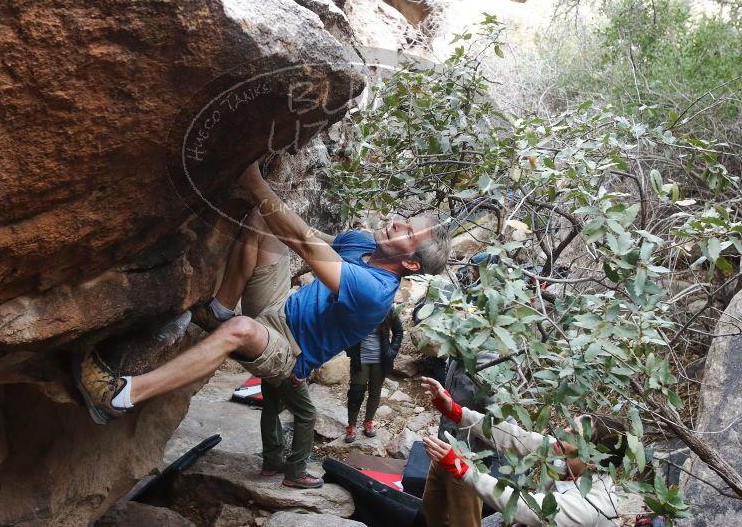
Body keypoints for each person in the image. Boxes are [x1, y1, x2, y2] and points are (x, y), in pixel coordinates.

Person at [73, 159, 451, 489]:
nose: (397, 223)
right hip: (279, 307)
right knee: (261, 219)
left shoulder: (375, 290)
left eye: (407, 232)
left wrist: (254, 182)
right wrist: (266, 204)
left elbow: (305, 244)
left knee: (241, 332)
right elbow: (311, 236)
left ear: (412, 264)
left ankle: (120, 396)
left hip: (289, 353)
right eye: (405, 220)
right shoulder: (363, 245)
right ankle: (220, 307)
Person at [421, 376, 628, 527]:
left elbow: (524, 507)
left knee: (461, 470)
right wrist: (457, 412)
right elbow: (518, 438)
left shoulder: (586, 506)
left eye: (573, 433)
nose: (563, 432)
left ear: (592, 459)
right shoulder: (566, 457)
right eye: (569, 426)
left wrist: (464, 470)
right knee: (447, 466)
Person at [416, 252, 501, 527]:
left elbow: (497, 413)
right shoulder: (460, 349)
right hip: (445, 445)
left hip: (468, 456)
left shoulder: (489, 356)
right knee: (432, 510)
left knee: (464, 520)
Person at [344, 306, 403, 442]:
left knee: (375, 392)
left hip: (380, 360)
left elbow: (398, 331)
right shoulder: (357, 307)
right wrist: (349, 350)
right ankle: (352, 425)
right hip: (360, 359)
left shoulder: (388, 309)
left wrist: (392, 351)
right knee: (356, 392)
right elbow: (344, 329)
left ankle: (368, 421)